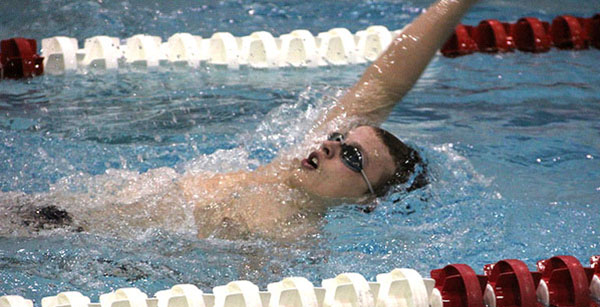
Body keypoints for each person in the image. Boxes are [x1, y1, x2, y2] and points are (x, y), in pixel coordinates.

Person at [3, 0, 478, 240]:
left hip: (62, 235)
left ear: (365, 203)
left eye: (351, 155)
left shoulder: (288, 239)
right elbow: (384, 84)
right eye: (337, 138)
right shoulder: (285, 168)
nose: (331, 145)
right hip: (52, 207)